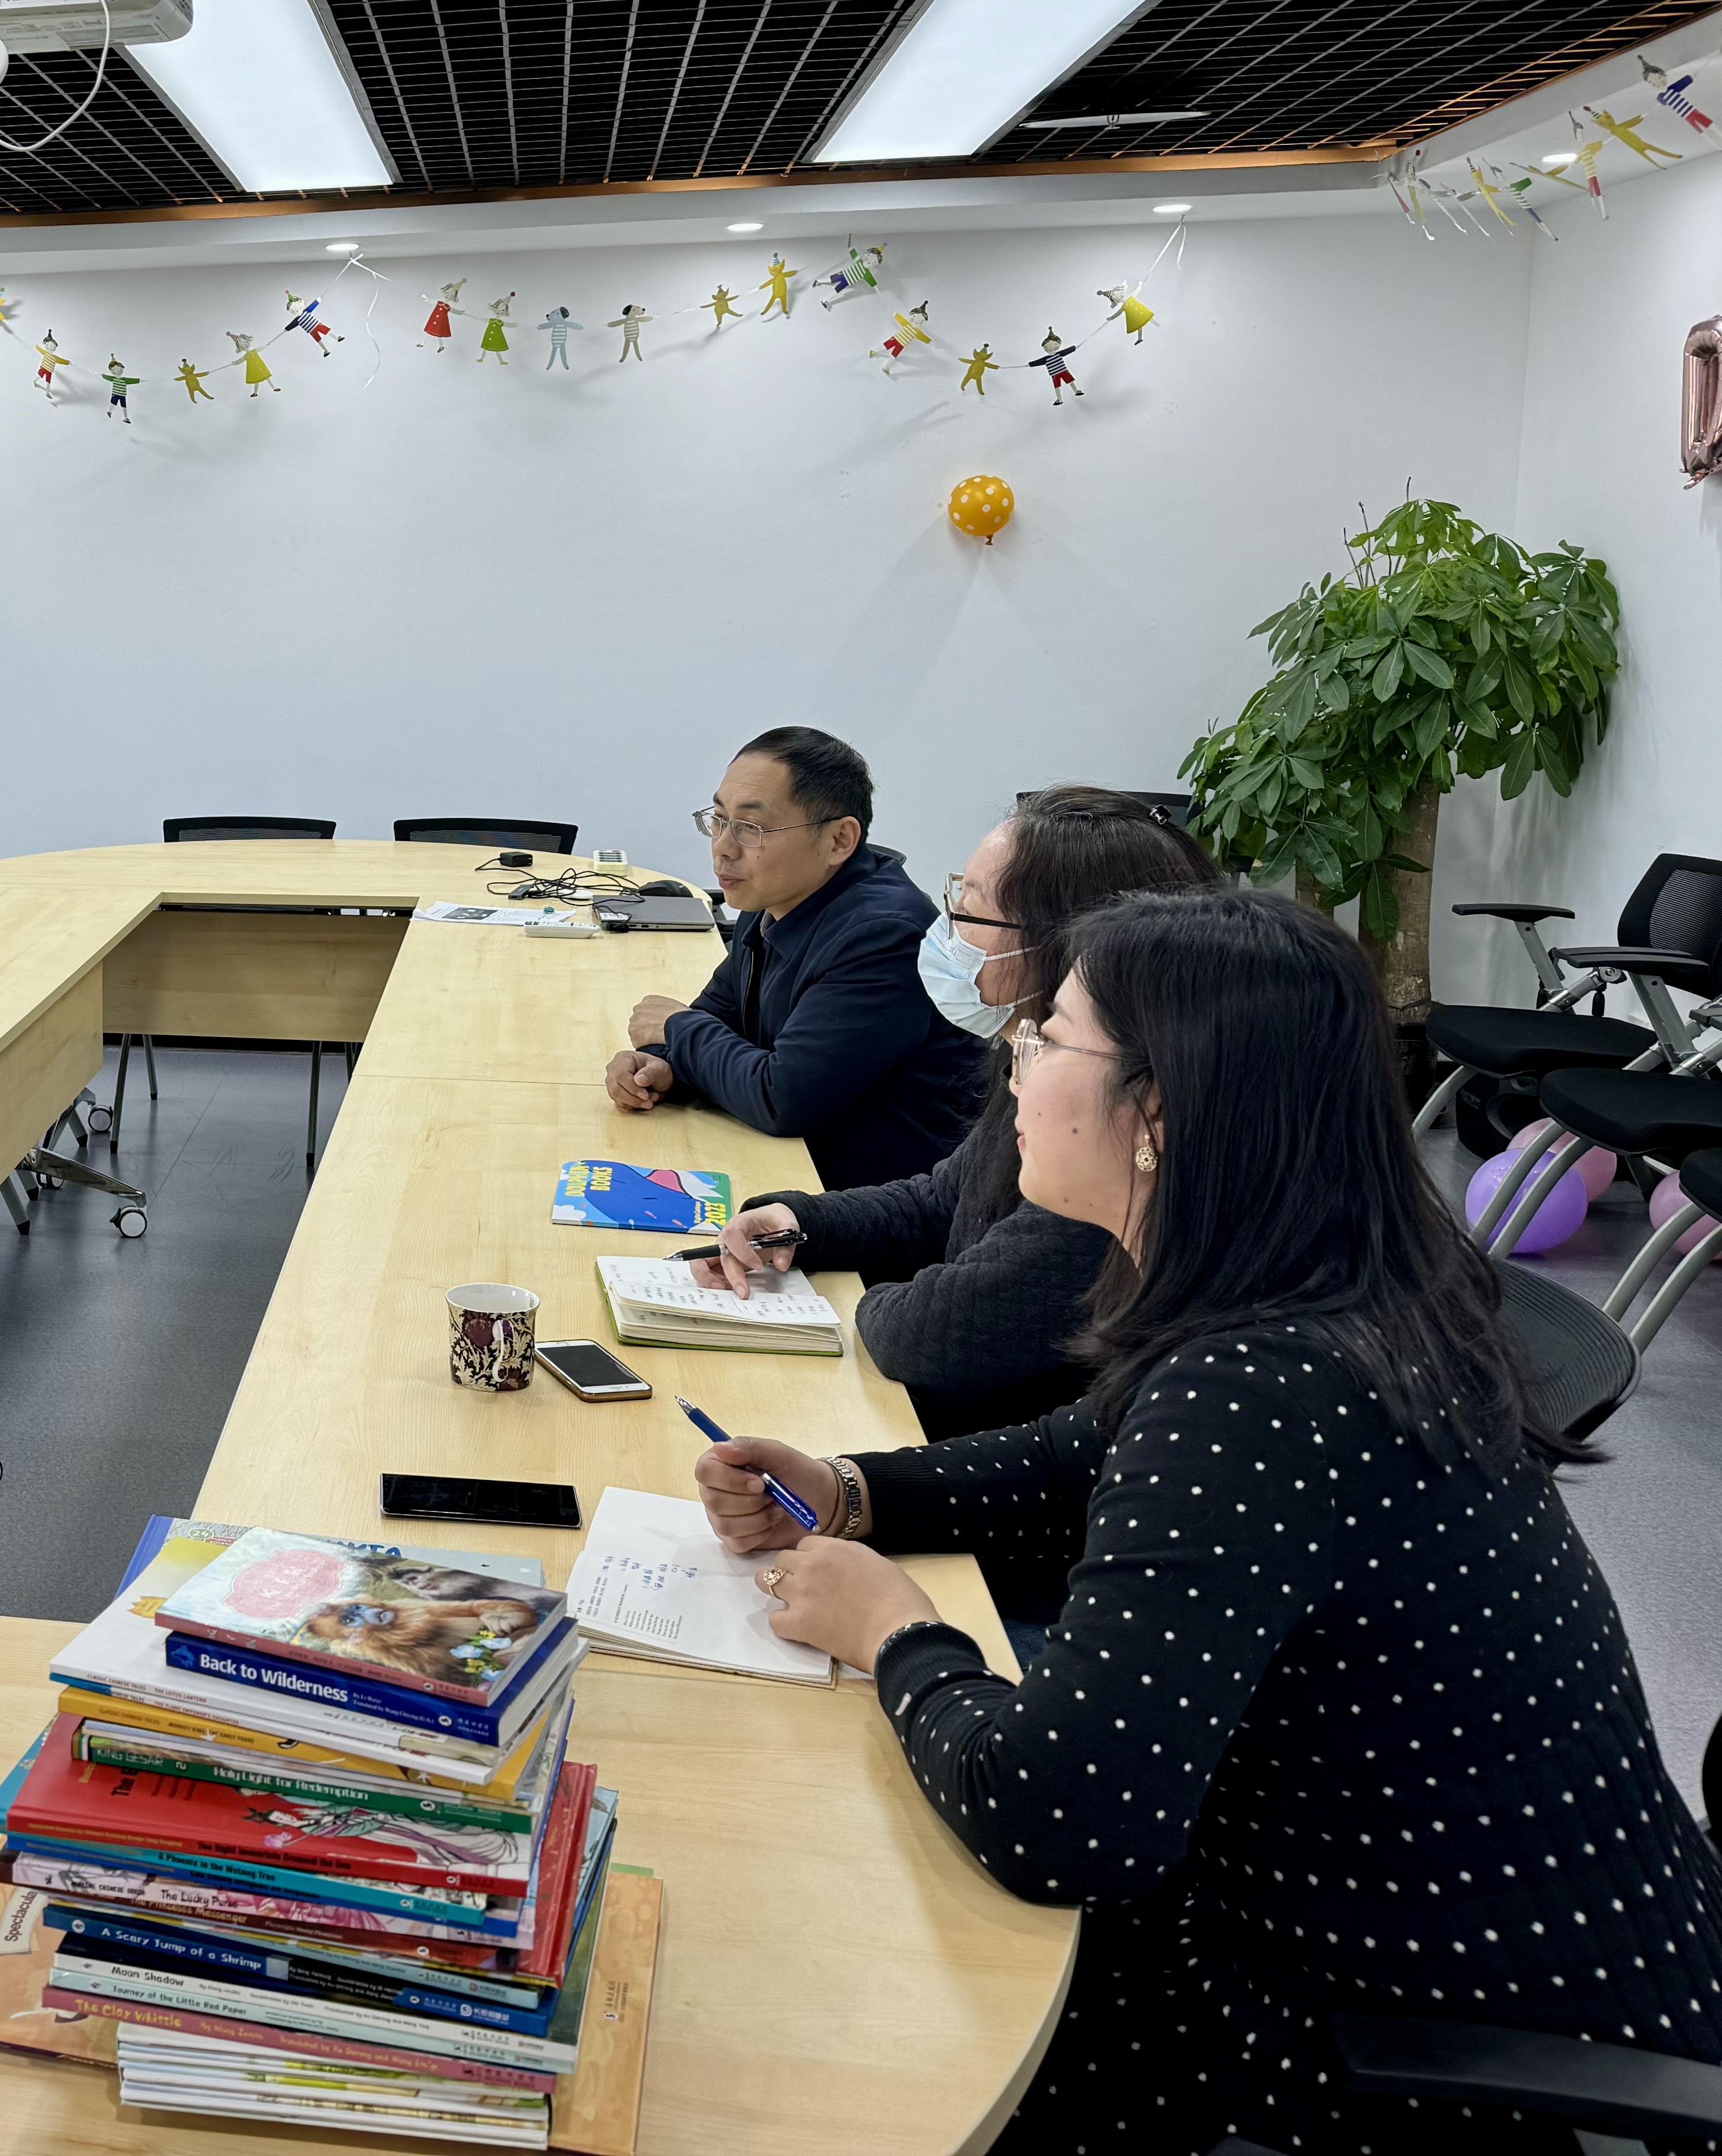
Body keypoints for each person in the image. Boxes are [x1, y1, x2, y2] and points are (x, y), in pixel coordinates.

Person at [692, 889, 1722, 2151]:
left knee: (834, 2017)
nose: (1014, 1061)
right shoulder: (1328, 1293)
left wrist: (897, 1632)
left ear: (1161, 1114)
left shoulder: (1263, 1387)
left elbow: (1057, 1817)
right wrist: (853, 1488)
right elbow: (1079, 1454)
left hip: (1434, 2045)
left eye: (1050, 1037)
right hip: (1487, 1932)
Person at [693, 788, 1222, 1447]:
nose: (945, 930)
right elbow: (941, 1201)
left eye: (969, 910)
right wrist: (803, 1222)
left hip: (989, 1456)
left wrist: (872, 1298)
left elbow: (933, 1337)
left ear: (1068, 947)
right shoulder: (1029, 1047)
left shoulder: (1119, 1139)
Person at [606, 727, 986, 1189]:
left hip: (879, 1202)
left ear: (839, 840)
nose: (723, 847)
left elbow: (783, 1098)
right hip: (800, 1168)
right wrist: (661, 1066)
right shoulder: (774, 899)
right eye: (719, 820)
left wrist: (675, 1028)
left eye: (751, 828)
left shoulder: (885, 935)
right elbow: (719, 1016)